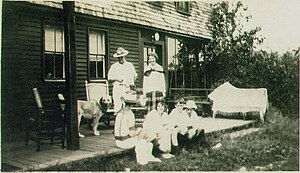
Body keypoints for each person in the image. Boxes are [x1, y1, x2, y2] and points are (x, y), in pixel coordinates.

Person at [114, 90, 161, 165]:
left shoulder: (119, 112)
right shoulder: (130, 114)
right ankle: (144, 158)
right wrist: (139, 131)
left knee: (147, 138)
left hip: (117, 141)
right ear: (133, 104)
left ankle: (148, 155)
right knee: (147, 135)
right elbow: (132, 134)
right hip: (125, 142)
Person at [108, 47, 137, 115]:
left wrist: (129, 83)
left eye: (121, 57)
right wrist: (117, 79)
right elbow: (109, 78)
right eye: (119, 57)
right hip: (117, 88)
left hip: (126, 88)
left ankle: (126, 123)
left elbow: (134, 76)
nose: (120, 59)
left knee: (126, 105)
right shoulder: (114, 66)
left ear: (124, 56)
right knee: (117, 105)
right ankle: (118, 122)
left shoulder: (129, 66)